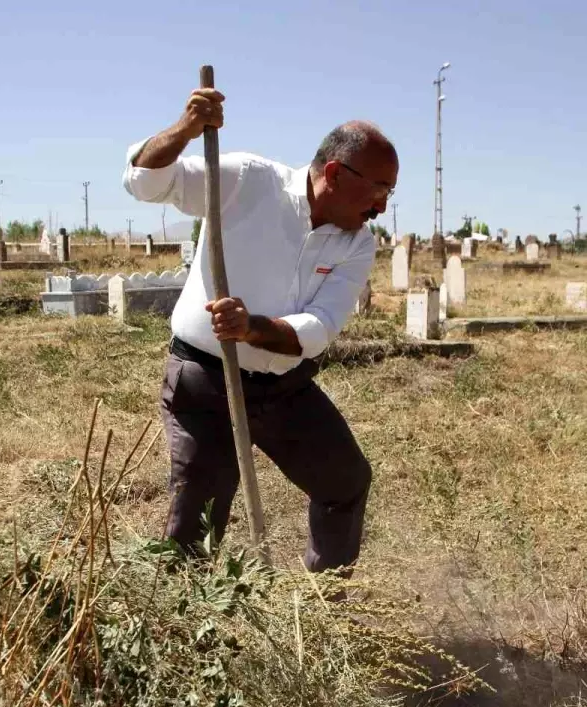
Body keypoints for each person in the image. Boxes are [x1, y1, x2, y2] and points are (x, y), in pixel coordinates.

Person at [123, 85, 398, 573]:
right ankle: (182, 632)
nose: (381, 207)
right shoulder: (248, 181)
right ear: (334, 173)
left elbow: (321, 325)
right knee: (198, 525)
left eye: (388, 194)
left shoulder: (357, 243)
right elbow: (145, 181)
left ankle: (326, 606)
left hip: (284, 387)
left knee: (345, 482)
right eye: (380, 190)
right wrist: (186, 129)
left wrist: (252, 328)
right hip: (206, 380)